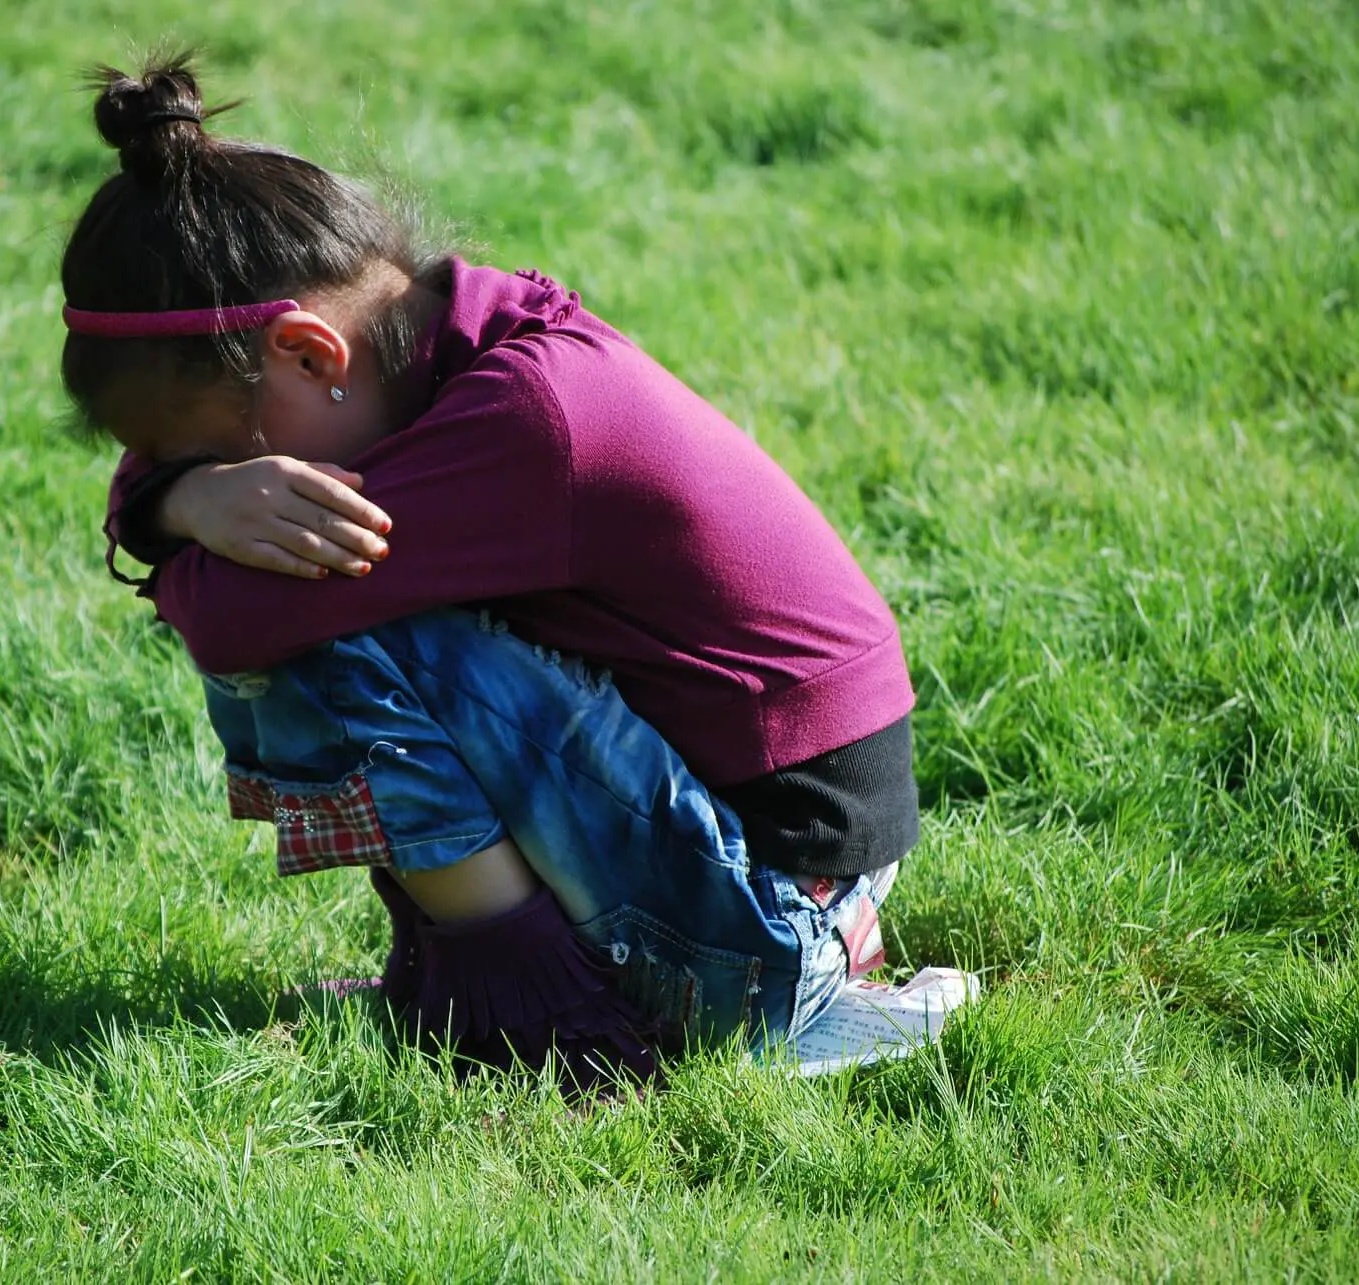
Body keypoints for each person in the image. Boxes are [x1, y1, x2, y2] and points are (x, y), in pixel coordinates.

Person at [61, 54, 920, 1092]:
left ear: (309, 356)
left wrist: (180, 527)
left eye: (224, 454)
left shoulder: (530, 421)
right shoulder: (450, 339)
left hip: (769, 922)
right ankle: (475, 975)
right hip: (767, 868)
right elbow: (167, 512)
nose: (235, 485)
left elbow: (236, 622)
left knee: (329, 625)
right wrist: (182, 500)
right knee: (316, 582)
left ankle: (538, 1014)